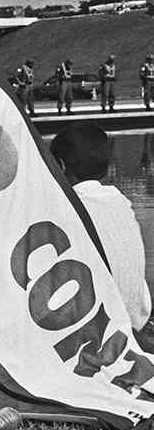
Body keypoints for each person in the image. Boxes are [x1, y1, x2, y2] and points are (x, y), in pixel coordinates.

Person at [50, 122, 151, 332]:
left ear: (61, 165)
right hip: (135, 319)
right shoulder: (119, 202)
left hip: (102, 329)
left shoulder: (67, 210)